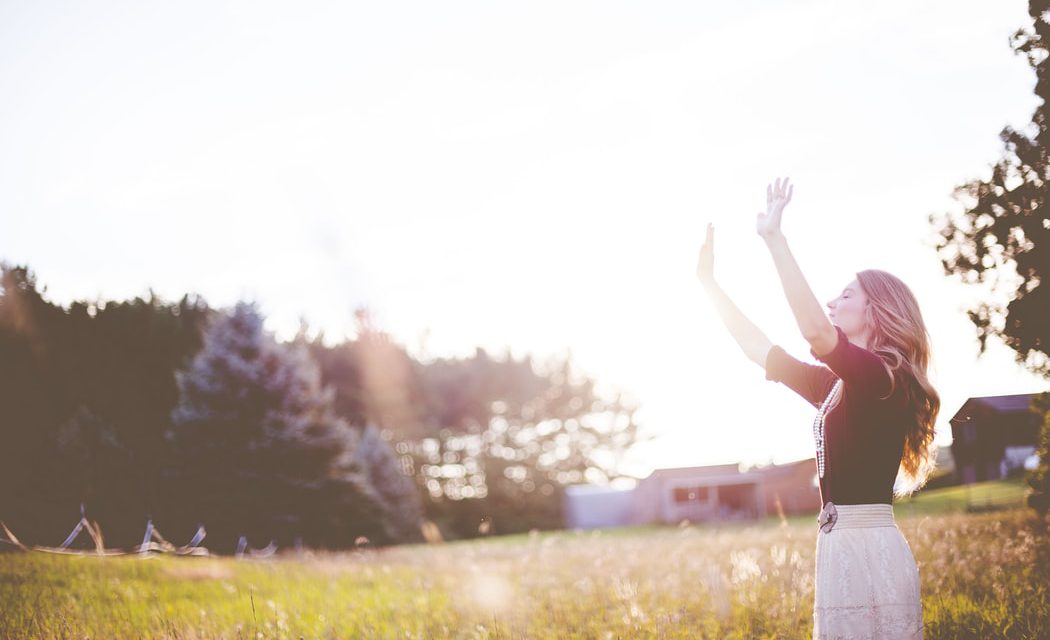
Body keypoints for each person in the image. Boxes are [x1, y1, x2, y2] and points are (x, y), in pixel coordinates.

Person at [696, 177, 938, 639]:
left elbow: (815, 335)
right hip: (838, 549)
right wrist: (710, 286)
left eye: (847, 295)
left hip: (870, 549)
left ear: (878, 311)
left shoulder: (884, 380)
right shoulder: (838, 385)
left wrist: (775, 239)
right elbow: (759, 348)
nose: (832, 302)